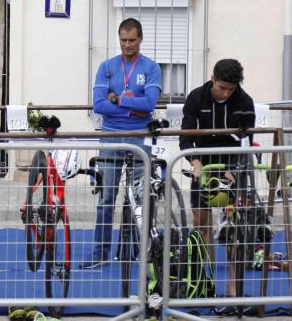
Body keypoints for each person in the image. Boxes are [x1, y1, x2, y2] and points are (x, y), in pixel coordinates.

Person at [82, 18, 162, 269]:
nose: (127, 45)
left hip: (140, 138)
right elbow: (99, 105)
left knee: (142, 198)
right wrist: (132, 105)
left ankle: (144, 251)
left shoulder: (151, 68)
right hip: (111, 137)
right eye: (123, 40)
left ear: (140, 39)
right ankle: (100, 253)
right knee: (106, 198)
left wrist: (118, 99)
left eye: (132, 40)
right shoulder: (107, 67)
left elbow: (149, 104)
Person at [179, 58, 254, 299]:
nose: (226, 93)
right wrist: (194, 161)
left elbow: (246, 141)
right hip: (204, 163)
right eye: (222, 88)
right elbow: (185, 136)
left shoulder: (244, 101)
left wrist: (236, 168)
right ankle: (204, 278)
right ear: (213, 79)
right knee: (202, 224)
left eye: (231, 89)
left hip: (231, 165)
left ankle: (233, 286)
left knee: (234, 228)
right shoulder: (195, 97)